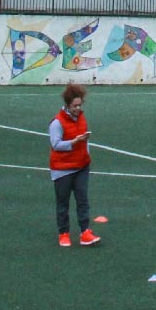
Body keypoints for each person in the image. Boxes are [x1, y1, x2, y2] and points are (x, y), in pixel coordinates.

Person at [50, 84, 100, 247]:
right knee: (63, 203)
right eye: (75, 106)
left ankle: (85, 232)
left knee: (83, 201)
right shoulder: (57, 123)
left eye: (80, 105)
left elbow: (85, 140)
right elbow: (56, 144)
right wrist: (74, 142)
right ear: (67, 105)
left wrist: (86, 152)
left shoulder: (82, 118)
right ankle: (63, 233)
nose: (78, 108)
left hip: (81, 166)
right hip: (62, 170)